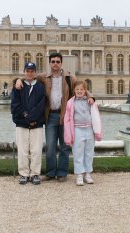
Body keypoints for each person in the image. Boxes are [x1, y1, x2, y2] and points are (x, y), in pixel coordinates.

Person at [15, 52, 94, 182]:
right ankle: (51, 172)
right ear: (50, 63)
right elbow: (29, 77)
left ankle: (62, 173)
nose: (55, 64)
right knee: (50, 146)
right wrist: (18, 80)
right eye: (53, 61)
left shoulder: (69, 77)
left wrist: (90, 97)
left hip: (65, 115)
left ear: (61, 63)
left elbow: (82, 87)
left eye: (58, 61)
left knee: (64, 146)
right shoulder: (43, 77)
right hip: (51, 115)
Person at [11, 62, 46, 185]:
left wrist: (33, 118)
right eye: (27, 71)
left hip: (37, 123)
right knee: (22, 150)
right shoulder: (18, 87)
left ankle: (35, 173)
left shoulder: (40, 87)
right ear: (24, 72)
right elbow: (15, 105)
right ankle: (24, 174)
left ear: (35, 72)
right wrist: (27, 117)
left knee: (36, 150)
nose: (30, 73)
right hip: (22, 123)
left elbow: (42, 105)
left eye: (32, 71)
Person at [64, 81, 102, 186]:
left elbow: (96, 116)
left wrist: (97, 131)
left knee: (89, 153)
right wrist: (68, 135)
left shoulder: (90, 101)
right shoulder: (70, 103)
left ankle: (88, 173)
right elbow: (67, 120)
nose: (79, 91)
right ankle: (79, 174)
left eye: (81, 89)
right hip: (77, 129)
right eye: (77, 89)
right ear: (74, 91)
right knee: (78, 153)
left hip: (89, 129)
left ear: (85, 91)